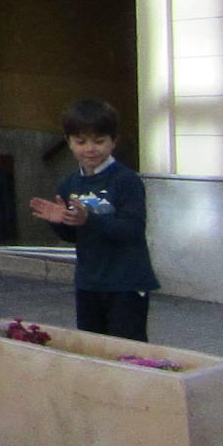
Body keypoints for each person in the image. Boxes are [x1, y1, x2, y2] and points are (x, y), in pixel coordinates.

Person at [30, 99, 159, 342]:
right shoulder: (69, 183)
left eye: (99, 141)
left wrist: (89, 219)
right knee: (93, 351)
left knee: (127, 353)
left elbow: (132, 228)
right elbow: (73, 235)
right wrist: (59, 221)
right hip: (89, 283)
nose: (90, 148)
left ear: (113, 141)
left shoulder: (126, 180)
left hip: (126, 284)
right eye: (81, 142)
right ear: (69, 142)